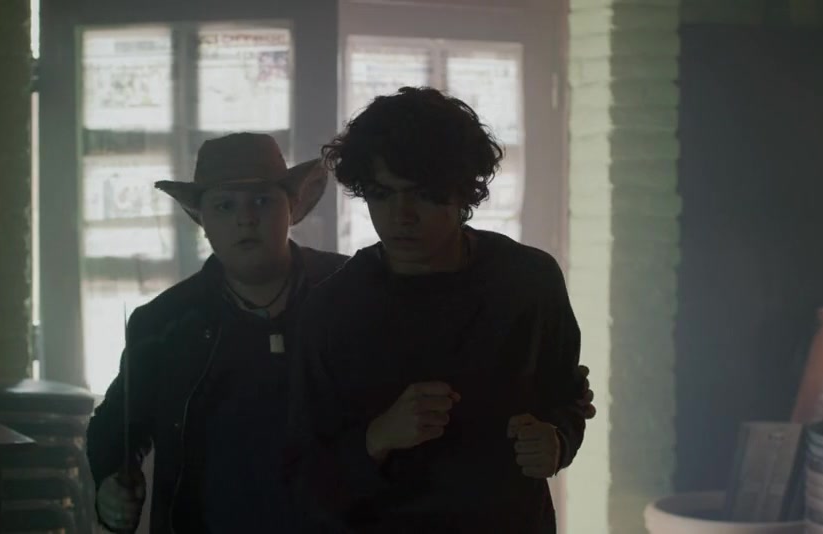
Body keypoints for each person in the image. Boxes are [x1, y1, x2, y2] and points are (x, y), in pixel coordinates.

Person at [284, 87, 588, 533]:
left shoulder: (528, 281)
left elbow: (568, 396)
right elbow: (305, 482)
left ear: (462, 192)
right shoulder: (333, 310)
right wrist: (378, 438)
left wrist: (557, 441)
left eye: (423, 195)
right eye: (382, 194)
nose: (401, 215)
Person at [86, 133, 347, 533]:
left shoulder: (349, 292)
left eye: (262, 201)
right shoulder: (164, 324)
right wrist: (112, 485)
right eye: (225, 205)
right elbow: (117, 426)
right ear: (202, 220)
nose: (246, 219)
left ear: (291, 207)